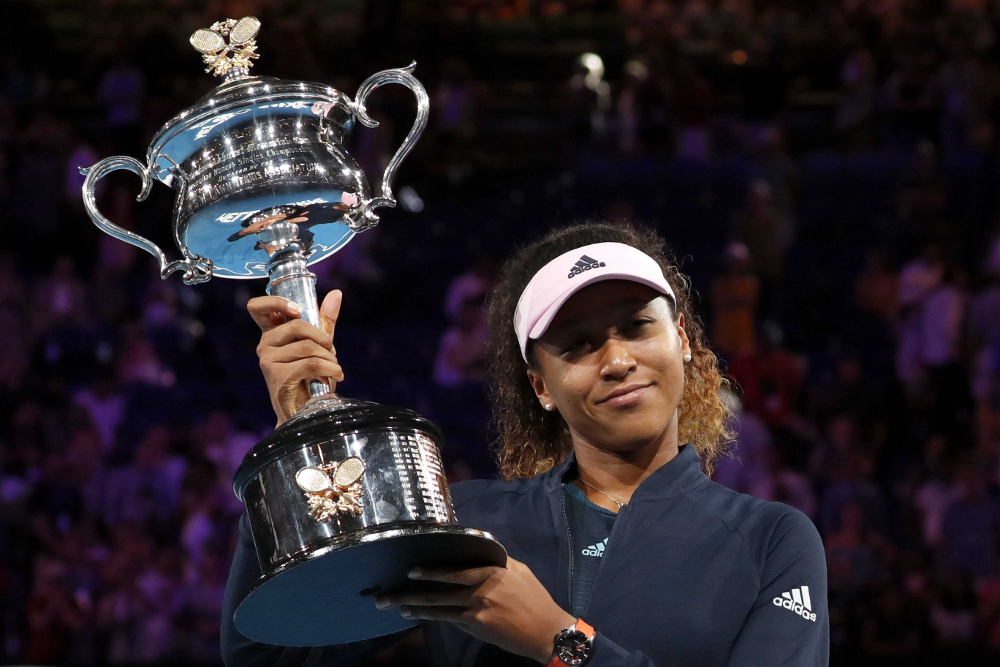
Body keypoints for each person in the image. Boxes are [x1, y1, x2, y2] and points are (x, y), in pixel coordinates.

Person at [222, 221, 829, 666]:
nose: (617, 360)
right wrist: (300, 440)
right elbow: (271, 657)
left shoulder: (771, 541)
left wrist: (556, 641)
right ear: (540, 385)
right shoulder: (461, 524)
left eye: (637, 327)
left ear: (684, 341)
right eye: (579, 343)